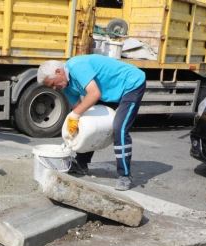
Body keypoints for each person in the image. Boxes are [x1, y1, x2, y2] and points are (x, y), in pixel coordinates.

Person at [37, 55, 146, 191]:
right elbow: (79, 109)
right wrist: (76, 125)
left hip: (130, 84)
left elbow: (94, 94)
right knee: (88, 123)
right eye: (51, 86)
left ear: (59, 72)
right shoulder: (66, 86)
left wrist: (74, 116)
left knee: (119, 128)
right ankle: (81, 163)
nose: (54, 88)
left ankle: (125, 175)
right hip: (108, 91)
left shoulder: (76, 66)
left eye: (53, 83)